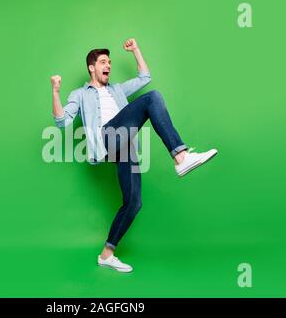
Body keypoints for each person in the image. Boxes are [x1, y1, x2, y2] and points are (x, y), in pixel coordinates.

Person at [50, 38, 217, 273]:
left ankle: (106, 255)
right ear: (91, 67)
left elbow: (144, 78)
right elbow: (61, 121)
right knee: (153, 97)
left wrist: (136, 50)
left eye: (110, 62)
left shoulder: (117, 89)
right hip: (106, 139)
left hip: (124, 144)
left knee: (133, 203)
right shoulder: (80, 94)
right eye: (103, 62)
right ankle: (180, 157)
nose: (108, 65)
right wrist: (55, 91)